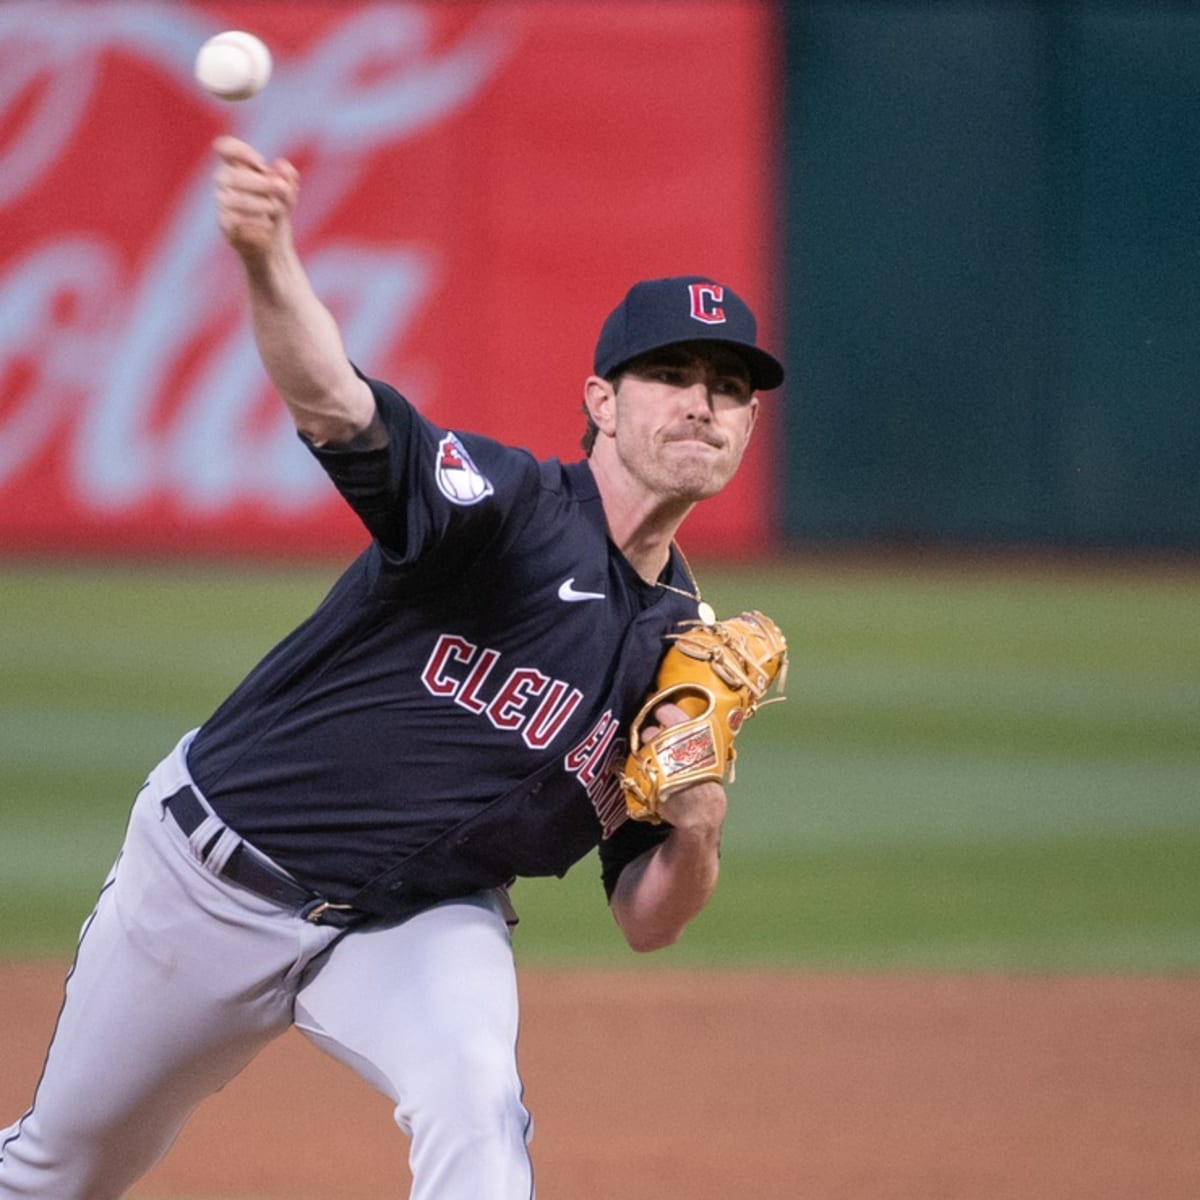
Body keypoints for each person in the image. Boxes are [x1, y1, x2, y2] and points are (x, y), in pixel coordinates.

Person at [0, 135, 785, 1200]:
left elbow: (649, 920)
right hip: (210, 882)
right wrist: (268, 258)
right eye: (672, 376)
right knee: (63, 1169)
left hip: (420, 921)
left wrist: (696, 826)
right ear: (602, 401)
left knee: (477, 1114)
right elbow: (336, 406)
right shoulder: (502, 508)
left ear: (748, 425)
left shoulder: (682, 654)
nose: (702, 402)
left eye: (730, 388)